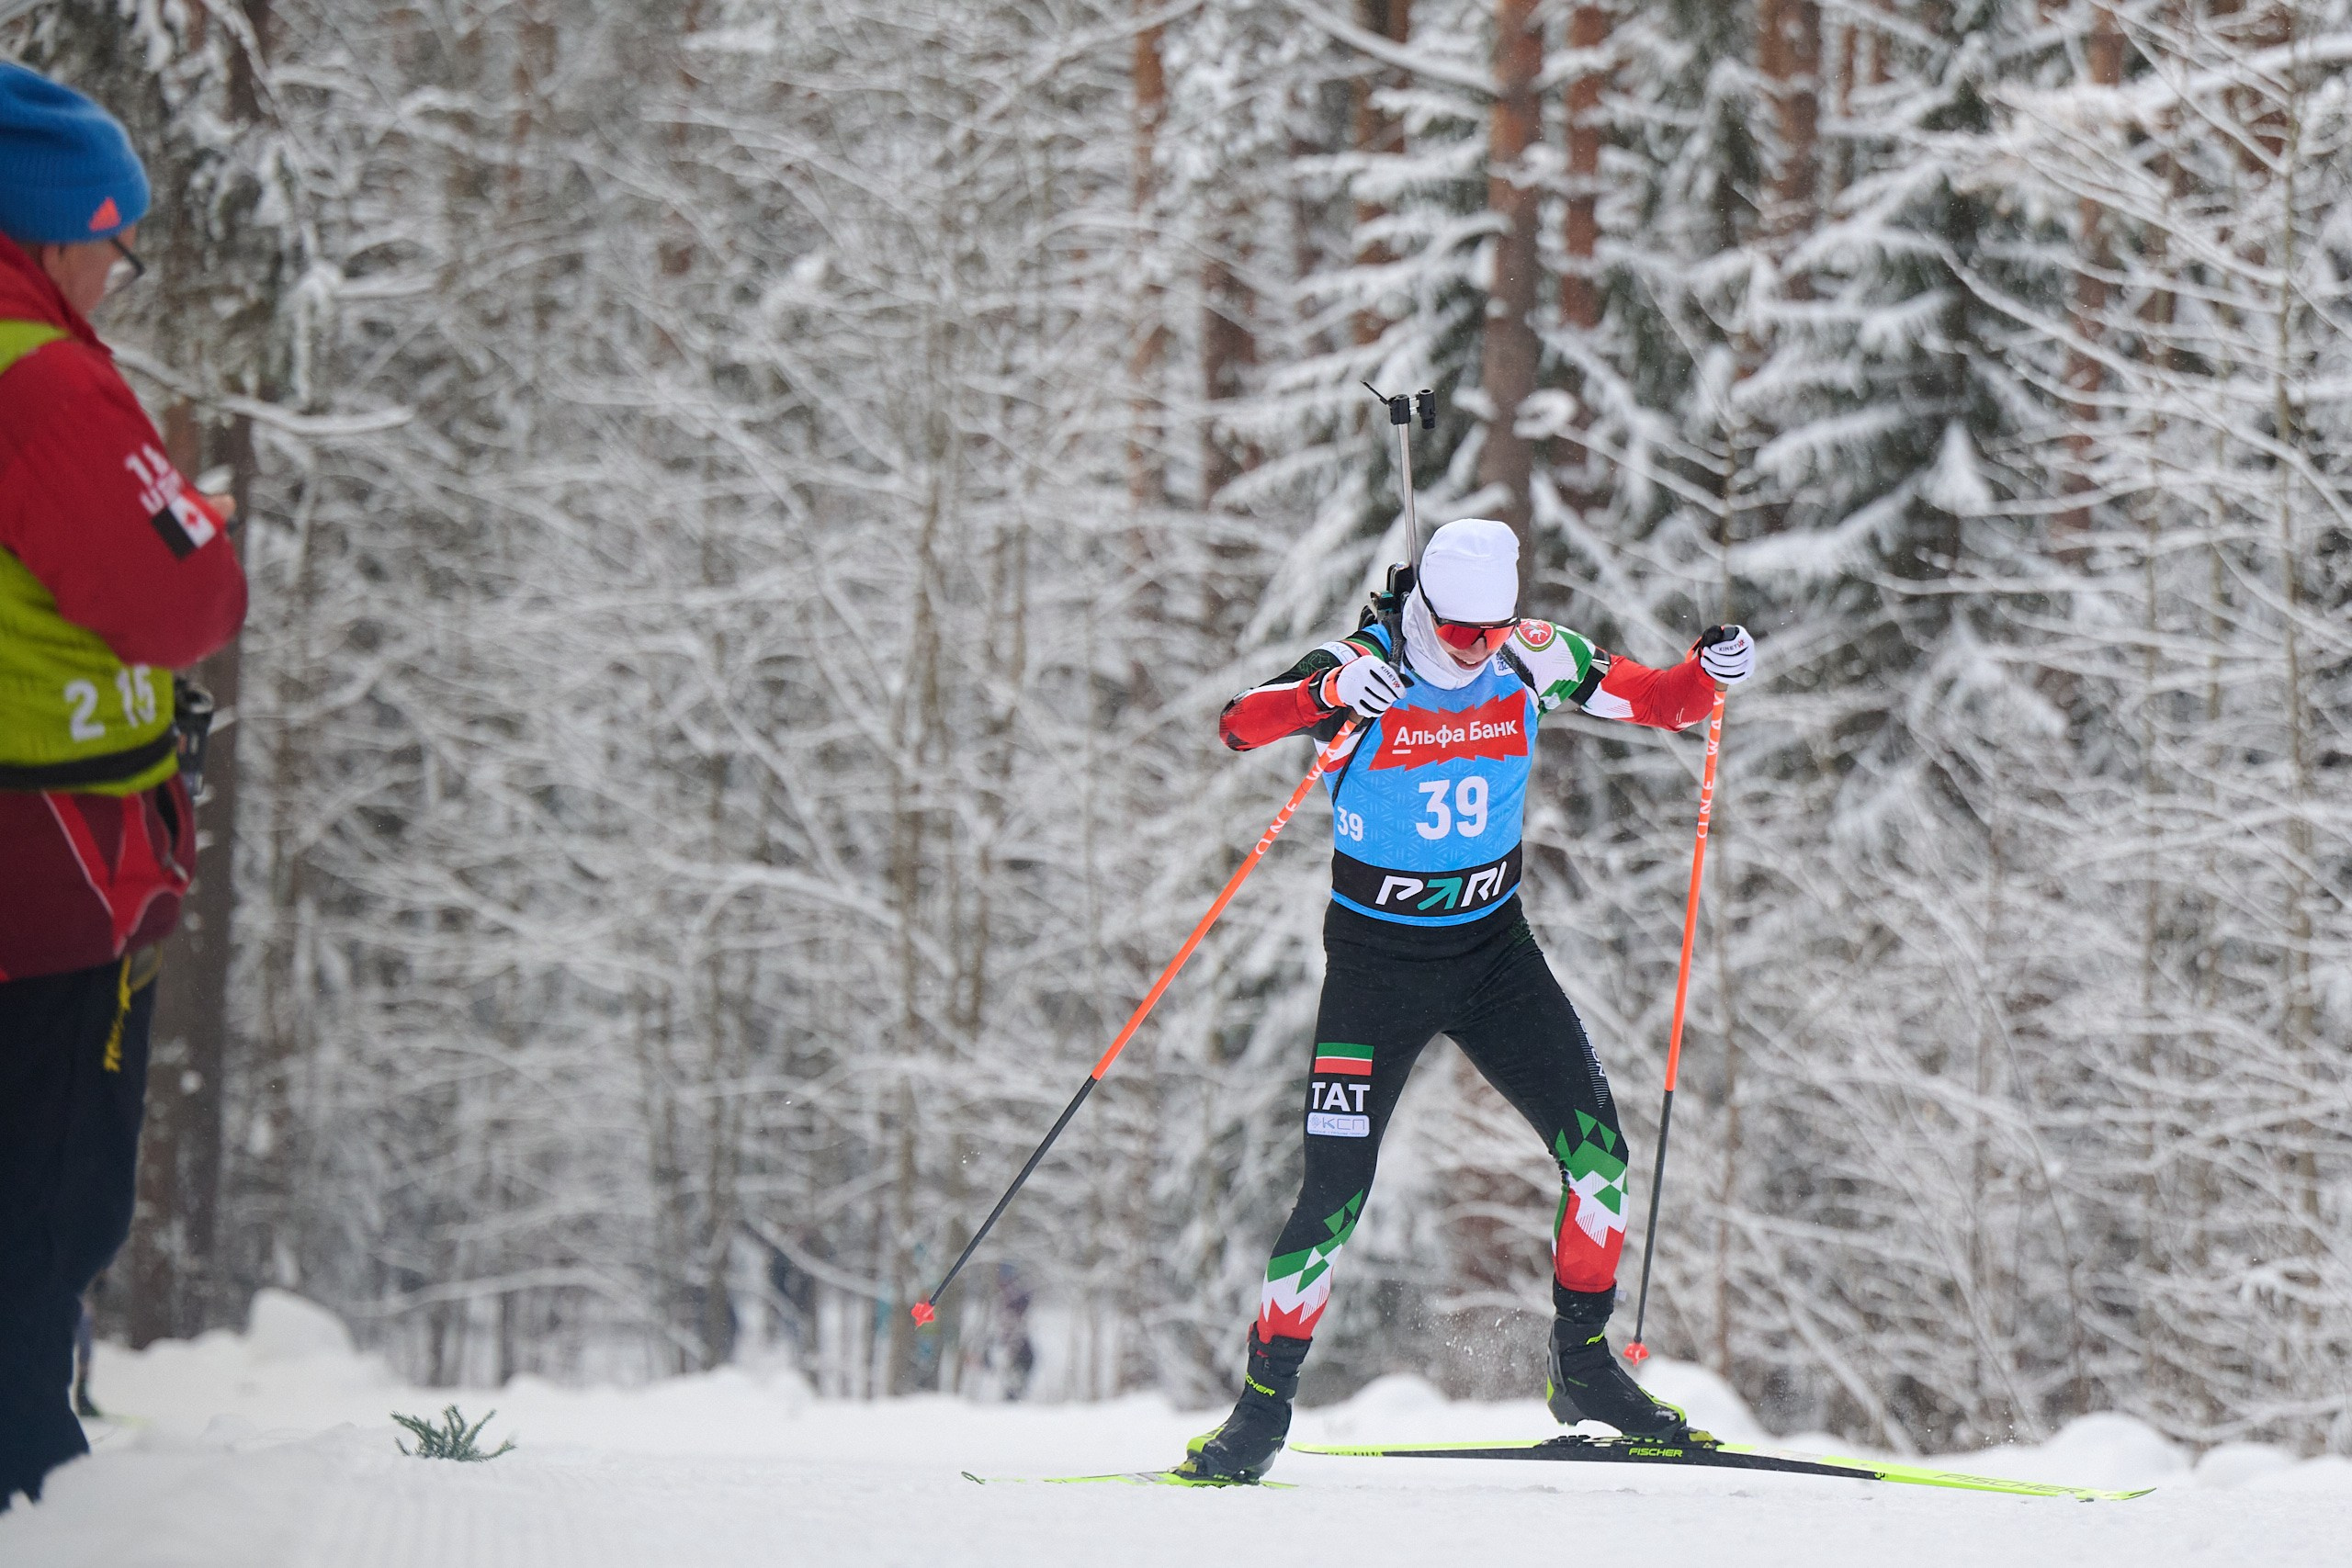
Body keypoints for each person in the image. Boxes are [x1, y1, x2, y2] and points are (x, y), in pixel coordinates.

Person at [1176, 517, 1754, 1482]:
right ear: (1425, 610)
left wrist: (1709, 669)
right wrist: (1323, 693)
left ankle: (1583, 1369)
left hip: (1493, 954)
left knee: (1599, 1162)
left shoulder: (1532, 658)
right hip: (1376, 967)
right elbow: (1240, 723)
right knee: (1331, 1198)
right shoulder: (1364, 665)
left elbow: (1662, 706)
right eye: (1457, 633)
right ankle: (1262, 1407)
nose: (1475, 650)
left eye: (1492, 630)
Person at [0, 62, 247, 1507]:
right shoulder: (38, 371)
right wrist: (192, 516)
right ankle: (31, 1474)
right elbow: (185, 594)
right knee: (46, 1189)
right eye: (115, 242)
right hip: (48, 860)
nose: (120, 275)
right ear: (52, 226)